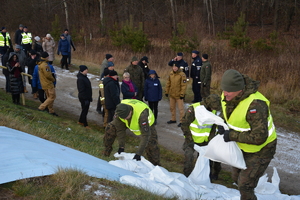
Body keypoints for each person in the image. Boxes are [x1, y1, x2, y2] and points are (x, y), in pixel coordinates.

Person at [217, 69, 277, 200]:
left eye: (229, 91)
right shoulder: (227, 95)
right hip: (243, 145)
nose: (225, 93)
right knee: (236, 177)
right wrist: (221, 124)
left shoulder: (255, 104)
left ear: (240, 89)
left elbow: (259, 137)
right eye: (223, 89)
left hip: (262, 149)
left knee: (245, 185)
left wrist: (231, 135)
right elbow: (227, 112)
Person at [103, 99, 160, 166]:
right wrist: (121, 147)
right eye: (123, 118)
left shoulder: (142, 115)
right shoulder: (120, 110)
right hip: (131, 117)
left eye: (126, 117)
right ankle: (107, 150)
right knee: (110, 127)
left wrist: (138, 154)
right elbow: (120, 129)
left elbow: (146, 135)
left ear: (130, 112)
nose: (124, 119)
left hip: (148, 123)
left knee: (151, 144)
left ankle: (155, 165)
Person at [181, 94, 221, 178]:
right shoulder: (194, 109)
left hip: (205, 141)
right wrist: (189, 140)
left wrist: (211, 140)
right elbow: (184, 124)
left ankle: (206, 177)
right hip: (191, 140)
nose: (215, 109)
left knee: (206, 161)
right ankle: (187, 177)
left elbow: (213, 127)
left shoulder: (213, 111)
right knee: (189, 158)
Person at [37, 52, 58, 116]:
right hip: (48, 83)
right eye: (48, 56)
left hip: (44, 83)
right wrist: (53, 79)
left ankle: (51, 110)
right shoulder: (45, 65)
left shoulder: (40, 64)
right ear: (46, 57)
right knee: (52, 96)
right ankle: (42, 107)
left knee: (49, 97)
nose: (48, 57)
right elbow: (48, 75)